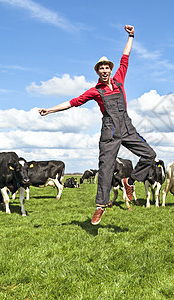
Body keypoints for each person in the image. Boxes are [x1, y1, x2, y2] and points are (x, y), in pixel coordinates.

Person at [38, 25, 156, 225]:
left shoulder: (119, 80)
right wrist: (50, 110)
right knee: (106, 168)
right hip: (109, 131)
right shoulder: (95, 91)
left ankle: (131, 181)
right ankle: (100, 207)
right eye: (101, 68)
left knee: (150, 155)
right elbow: (73, 102)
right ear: (97, 71)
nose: (104, 70)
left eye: (107, 67)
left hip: (127, 127)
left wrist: (131, 36)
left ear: (110, 69)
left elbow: (125, 57)